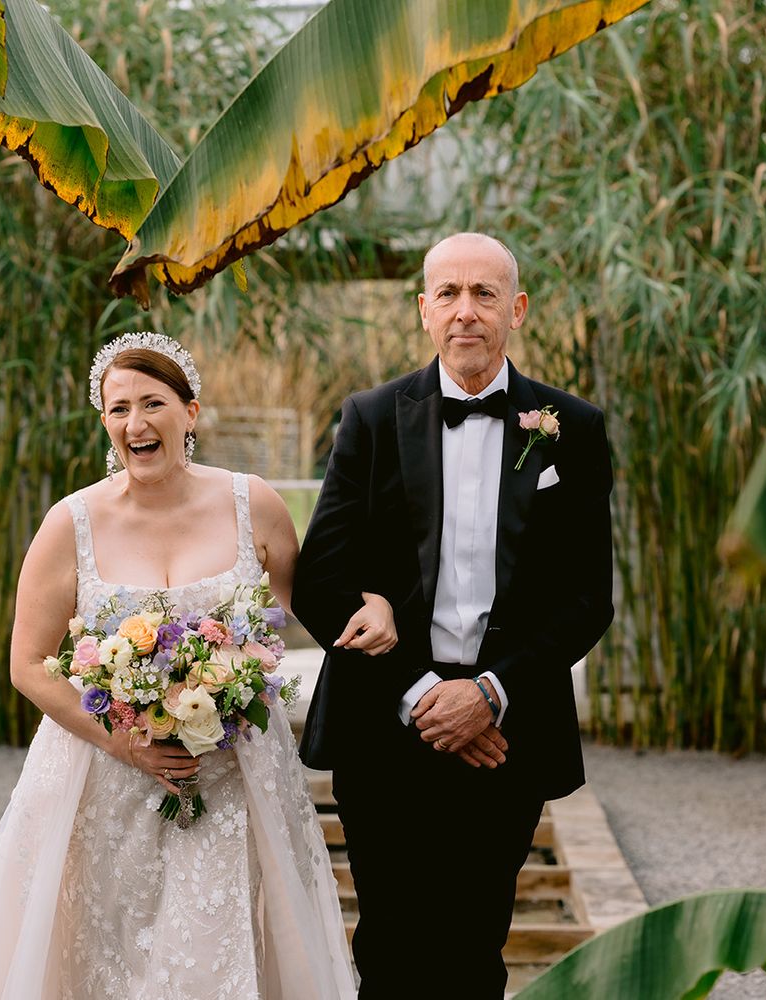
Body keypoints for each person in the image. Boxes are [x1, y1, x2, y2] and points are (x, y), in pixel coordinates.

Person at [0, 332, 357, 1000]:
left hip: (235, 778)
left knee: (218, 945)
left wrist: (375, 604)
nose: (136, 423)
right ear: (105, 422)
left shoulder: (254, 505)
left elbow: (318, 608)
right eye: (119, 408)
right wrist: (125, 742)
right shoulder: (72, 523)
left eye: (153, 403)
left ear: (192, 413)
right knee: (105, 951)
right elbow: (29, 664)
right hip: (101, 780)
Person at [292, 233, 615, 999]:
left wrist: (489, 694)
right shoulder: (370, 418)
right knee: (392, 945)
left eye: (484, 294)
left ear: (518, 309)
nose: (465, 311)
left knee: (475, 946)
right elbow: (321, 579)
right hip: (386, 720)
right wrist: (422, 695)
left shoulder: (572, 425)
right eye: (448, 294)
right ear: (424, 311)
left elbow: (585, 597)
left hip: (506, 733)